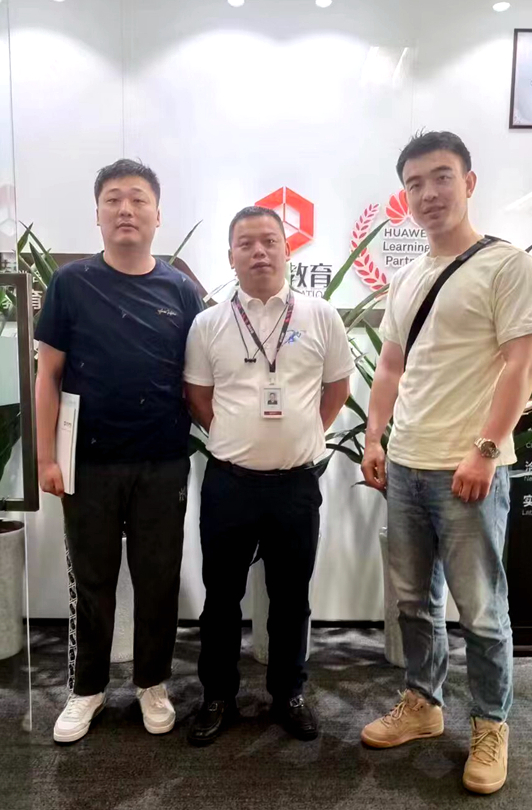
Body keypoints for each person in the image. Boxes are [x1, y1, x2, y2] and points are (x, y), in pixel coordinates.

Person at [359, 132, 532, 794]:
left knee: (481, 610)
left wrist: (486, 449)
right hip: (406, 466)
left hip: (469, 468)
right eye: (414, 183)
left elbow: (523, 364)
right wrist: (374, 438)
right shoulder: (407, 276)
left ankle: (491, 723)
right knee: (414, 601)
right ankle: (424, 703)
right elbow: (390, 367)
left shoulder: (507, 266)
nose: (428, 193)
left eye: (441, 177)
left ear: (468, 182)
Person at [35, 158, 204, 743]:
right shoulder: (71, 283)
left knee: (158, 579)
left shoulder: (181, 289)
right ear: (98, 214)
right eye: (113, 199)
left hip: (163, 462)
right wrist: (46, 459)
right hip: (89, 463)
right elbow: (47, 376)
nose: (125, 209)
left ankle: (153, 683)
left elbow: (199, 379)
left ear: (157, 214)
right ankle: (87, 689)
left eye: (137, 199)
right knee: (92, 580)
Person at [183, 206, 353, 745]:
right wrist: (231, 435)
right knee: (220, 598)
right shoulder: (209, 323)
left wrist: (305, 433)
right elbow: (198, 396)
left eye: (269, 241)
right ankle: (217, 695)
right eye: (246, 243)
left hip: (295, 485)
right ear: (230, 256)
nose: (259, 252)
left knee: (291, 597)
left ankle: (289, 694)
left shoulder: (320, 315)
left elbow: (337, 388)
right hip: (229, 483)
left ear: (287, 249)